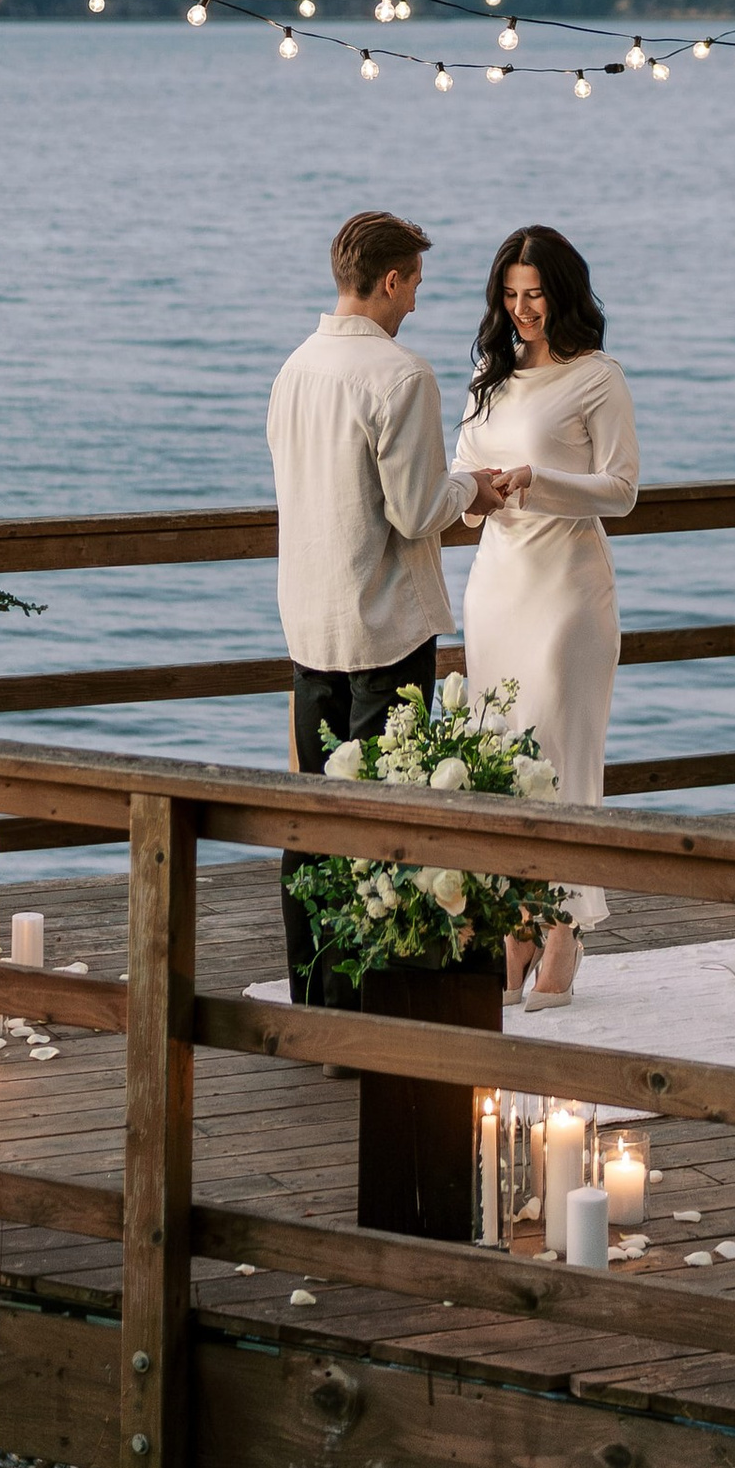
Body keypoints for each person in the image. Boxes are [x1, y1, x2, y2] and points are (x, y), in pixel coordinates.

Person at [266, 207, 526, 998]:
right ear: (387, 280)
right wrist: (473, 488)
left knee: (312, 824)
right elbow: (416, 511)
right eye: (413, 283)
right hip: (382, 625)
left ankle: (316, 999)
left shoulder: (294, 368)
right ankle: (369, 1005)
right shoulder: (401, 375)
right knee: (383, 827)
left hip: (310, 623)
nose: (415, 300)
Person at [453, 224, 639, 1000]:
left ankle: (563, 934)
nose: (522, 309)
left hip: (567, 590)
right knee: (498, 761)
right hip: (496, 586)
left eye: (535, 295)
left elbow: (622, 489)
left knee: (560, 756)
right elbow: (462, 473)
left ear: (562, 294)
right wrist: (476, 496)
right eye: (510, 295)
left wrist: (537, 480)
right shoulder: (487, 375)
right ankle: (515, 927)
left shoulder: (598, 377)